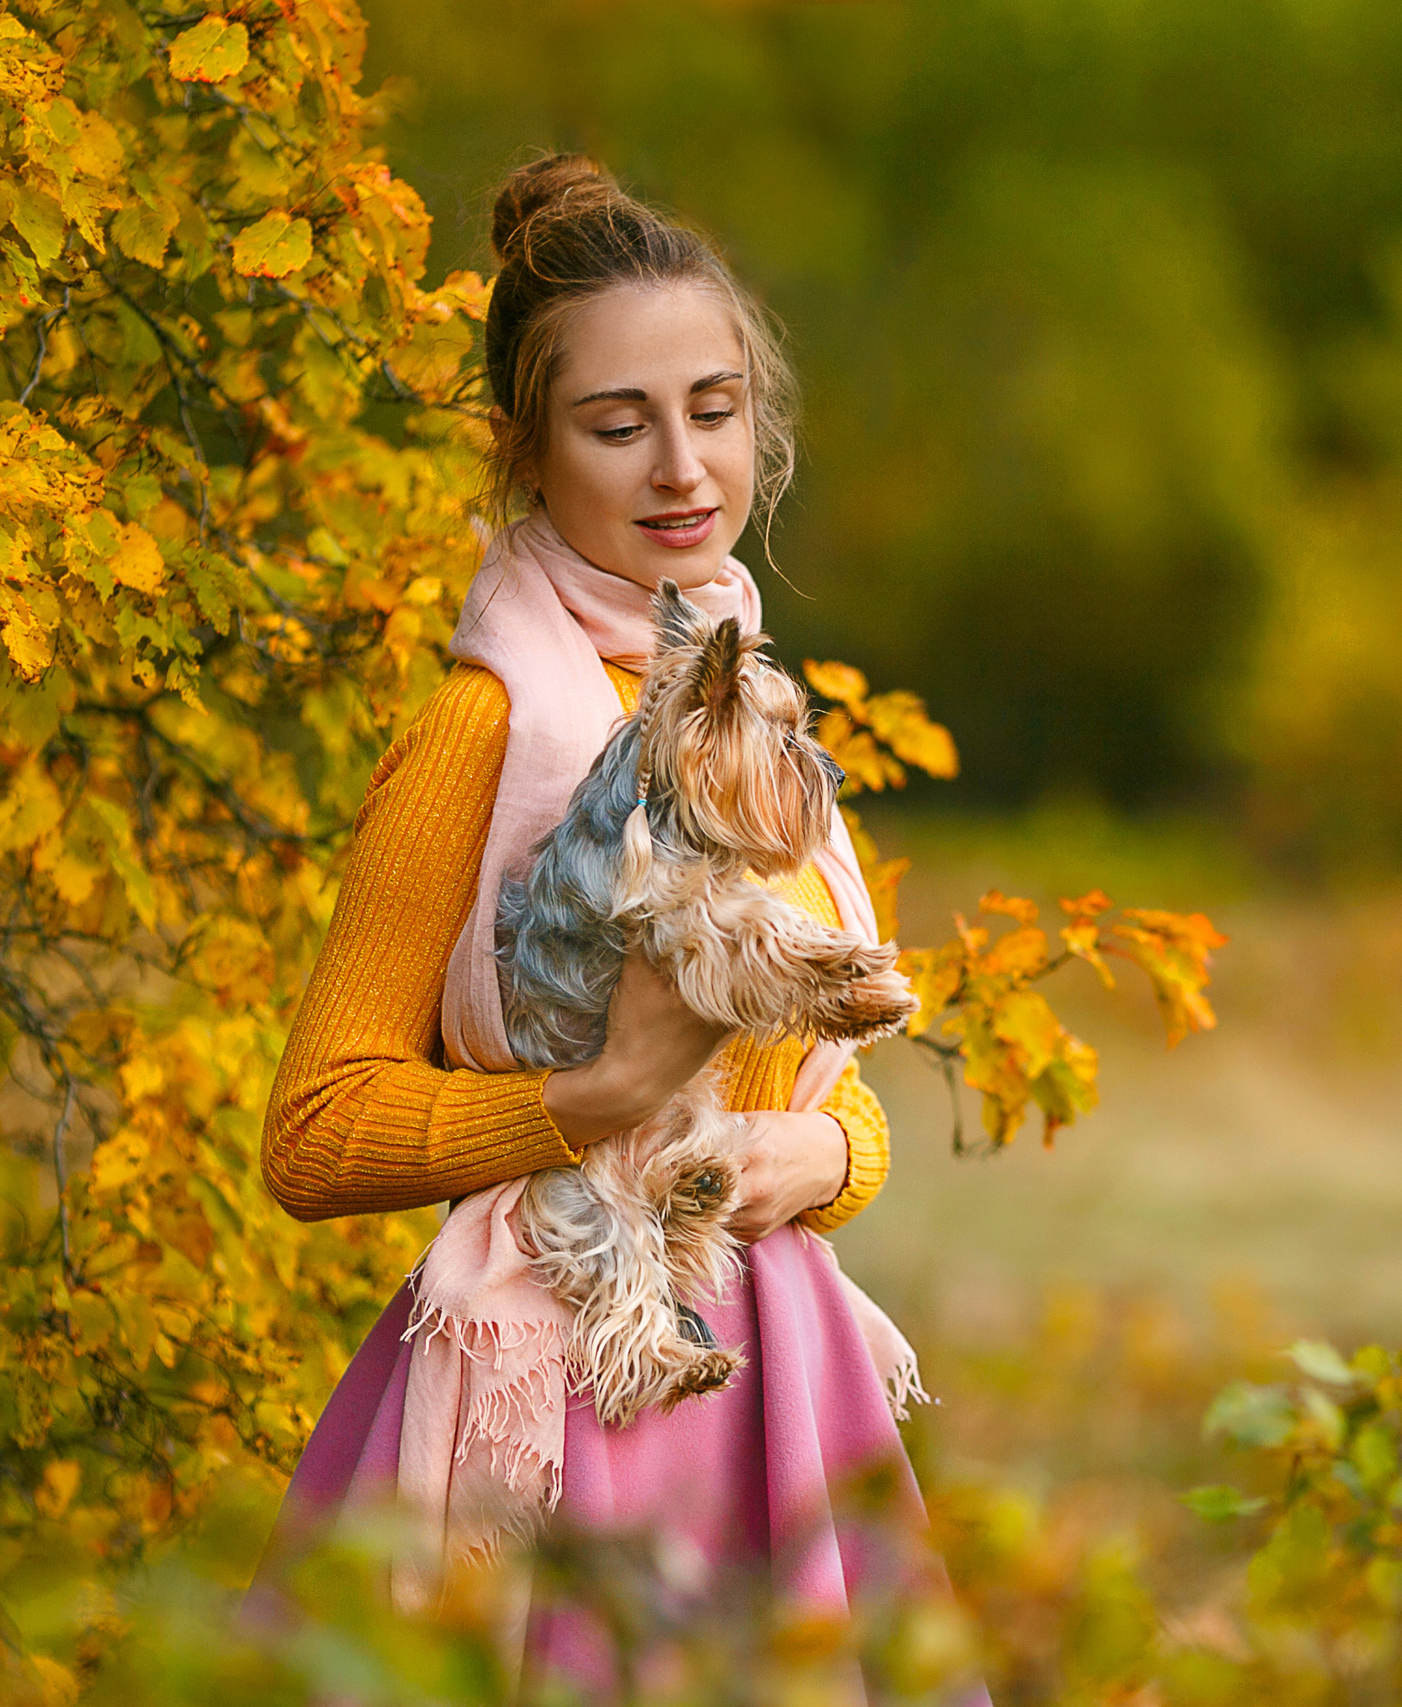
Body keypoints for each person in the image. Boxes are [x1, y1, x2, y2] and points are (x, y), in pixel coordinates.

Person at [253, 153, 974, 1697]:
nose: (679, 468)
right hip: (563, 1390)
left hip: (778, 1372)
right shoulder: (481, 731)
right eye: (616, 423)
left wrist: (837, 1159)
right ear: (525, 452)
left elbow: (813, 1089)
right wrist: (592, 1099)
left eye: (712, 408)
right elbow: (313, 1132)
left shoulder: (747, 720)